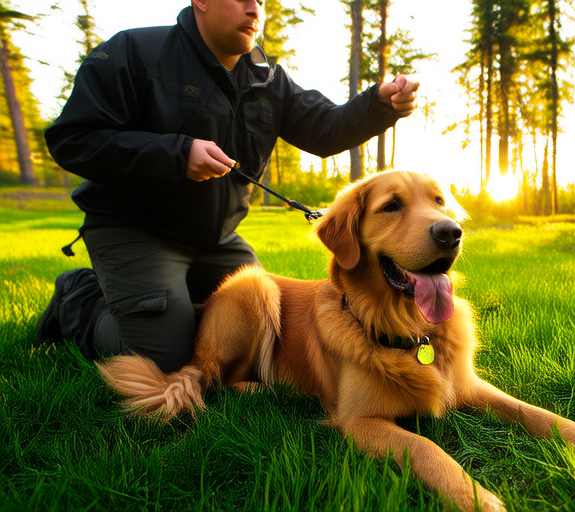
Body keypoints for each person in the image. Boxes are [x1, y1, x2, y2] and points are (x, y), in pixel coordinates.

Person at [37, 0, 419, 374]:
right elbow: (73, 139)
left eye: (261, 1)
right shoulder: (135, 52)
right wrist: (177, 153)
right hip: (136, 229)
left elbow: (325, 129)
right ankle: (79, 300)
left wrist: (380, 105)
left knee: (262, 328)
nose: (255, 9)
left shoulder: (267, 77)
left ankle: (172, 300)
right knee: (168, 361)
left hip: (214, 239)